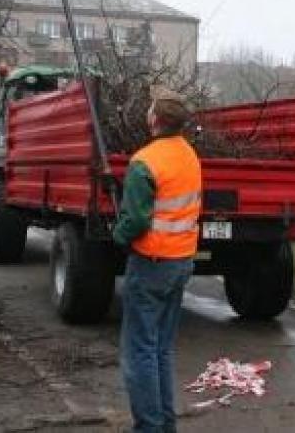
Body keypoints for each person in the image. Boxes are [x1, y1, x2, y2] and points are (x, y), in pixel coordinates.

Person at [114, 87, 201, 433]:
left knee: (139, 353)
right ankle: (164, 425)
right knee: (161, 349)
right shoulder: (190, 156)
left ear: (155, 120)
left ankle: (148, 427)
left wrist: (117, 235)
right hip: (181, 262)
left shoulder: (145, 162)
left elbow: (134, 221)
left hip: (151, 263)